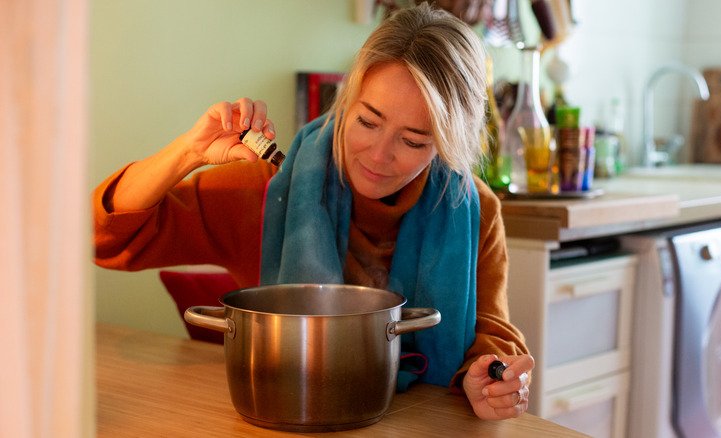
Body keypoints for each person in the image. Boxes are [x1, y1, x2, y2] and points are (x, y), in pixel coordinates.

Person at [93, 3, 534, 420]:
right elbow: (103, 238)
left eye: (414, 140)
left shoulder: (471, 208)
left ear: (447, 143)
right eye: (367, 121)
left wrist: (489, 380)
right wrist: (187, 152)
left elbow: (491, 334)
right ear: (347, 100)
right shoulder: (267, 189)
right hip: (280, 416)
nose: (379, 156)